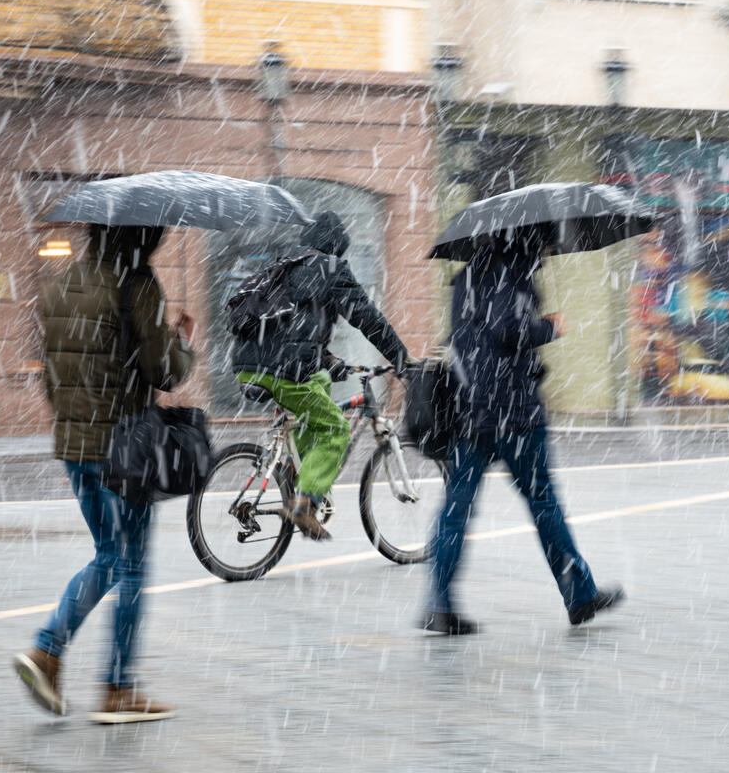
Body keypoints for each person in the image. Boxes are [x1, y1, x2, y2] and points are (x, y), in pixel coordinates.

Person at [14, 224, 194, 723]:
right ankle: (113, 685)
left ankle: (49, 655)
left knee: (109, 557)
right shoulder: (135, 282)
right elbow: (165, 372)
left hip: (75, 444)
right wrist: (181, 341)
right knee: (129, 564)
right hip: (123, 444)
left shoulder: (61, 282)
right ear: (144, 236)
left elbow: (53, 372)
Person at [422, 231, 624, 635]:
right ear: (531, 239)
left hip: (468, 408)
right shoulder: (512, 272)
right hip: (513, 411)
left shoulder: (467, 276)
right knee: (543, 500)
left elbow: (468, 337)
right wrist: (549, 327)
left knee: (455, 508)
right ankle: (579, 594)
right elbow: (509, 331)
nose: (553, 248)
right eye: (549, 242)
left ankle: (438, 603)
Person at [231, 210, 413, 540]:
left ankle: (293, 468)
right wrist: (402, 358)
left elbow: (287, 327)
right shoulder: (330, 268)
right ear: (335, 247)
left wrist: (327, 360)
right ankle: (304, 501)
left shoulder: (284, 265)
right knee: (334, 428)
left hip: (249, 364)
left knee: (321, 382)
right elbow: (369, 319)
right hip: (283, 370)